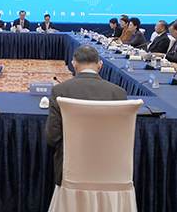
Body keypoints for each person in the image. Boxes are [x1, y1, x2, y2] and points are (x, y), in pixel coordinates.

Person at [44, 45, 127, 186]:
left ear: (74, 65)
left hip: (70, 170)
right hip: (110, 169)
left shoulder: (60, 91)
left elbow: (52, 138)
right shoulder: (118, 93)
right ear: (100, 65)